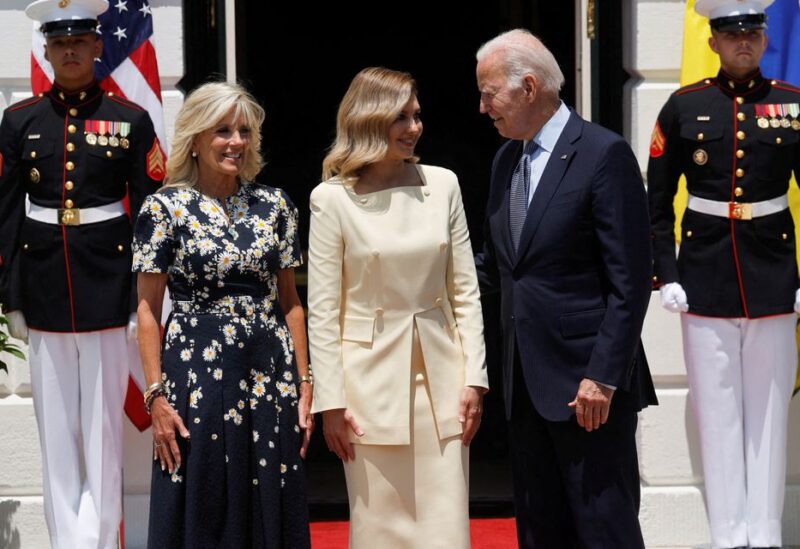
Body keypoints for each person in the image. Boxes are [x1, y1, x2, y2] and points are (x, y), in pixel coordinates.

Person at [474, 29, 657, 548]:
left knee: (604, 528)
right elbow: (499, 266)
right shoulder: (506, 159)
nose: (483, 106)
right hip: (525, 383)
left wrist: (602, 376)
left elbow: (630, 280)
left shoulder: (603, 153)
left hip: (587, 389)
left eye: (490, 93)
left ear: (528, 87)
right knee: (540, 530)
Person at [0, 1, 164, 546]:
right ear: (46, 52)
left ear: (98, 47)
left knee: (101, 433)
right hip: (43, 286)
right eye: (59, 43)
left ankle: (96, 541)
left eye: (80, 42)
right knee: (55, 433)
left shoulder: (130, 121)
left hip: (109, 286)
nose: (69, 51)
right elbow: (5, 211)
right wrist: (11, 295)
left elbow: (149, 213)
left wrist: (142, 299)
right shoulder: (19, 120)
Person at [307, 67, 489, 548]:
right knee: (378, 528)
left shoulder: (444, 184)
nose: (414, 127)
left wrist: (475, 379)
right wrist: (330, 402)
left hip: (445, 382)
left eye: (416, 115)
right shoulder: (331, 200)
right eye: (400, 117)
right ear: (368, 121)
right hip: (366, 389)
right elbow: (323, 310)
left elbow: (465, 291)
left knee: (446, 526)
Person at [131, 81, 312, 548]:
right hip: (196, 376)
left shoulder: (275, 206)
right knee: (203, 495)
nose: (236, 142)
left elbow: (290, 302)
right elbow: (148, 309)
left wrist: (306, 383)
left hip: (268, 375)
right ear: (194, 136)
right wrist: (155, 397)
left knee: (270, 496)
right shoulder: (162, 208)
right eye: (222, 130)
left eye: (244, 131)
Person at [647, 1, 800, 547]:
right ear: (712, 41)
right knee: (717, 413)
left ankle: (765, 535)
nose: (743, 43)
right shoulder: (684, 107)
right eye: (732, 34)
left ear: (763, 40)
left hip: (775, 275)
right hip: (705, 274)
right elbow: (657, 199)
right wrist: (666, 273)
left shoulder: (791, 105)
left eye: (752, 34)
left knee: (768, 415)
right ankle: (728, 536)